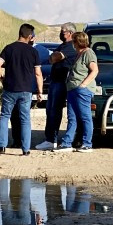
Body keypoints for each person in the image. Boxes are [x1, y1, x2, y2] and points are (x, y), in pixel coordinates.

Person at [0, 24, 43, 155]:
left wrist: (1, 79)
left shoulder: (9, 48)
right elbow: (38, 73)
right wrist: (40, 91)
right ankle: (25, 149)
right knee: (25, 119)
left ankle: (2, 146)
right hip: (26, 90)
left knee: (4, 116)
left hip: (10, 89)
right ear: (30, 36)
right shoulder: (33, 52)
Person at [53, 32, 98, 154]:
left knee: (85, 117)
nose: (72, 43)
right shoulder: (79, 54)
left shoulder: (88, 53)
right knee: (72, 117)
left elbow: (94, 70)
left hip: (81, 90)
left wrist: (83, 85)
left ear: (78, 42)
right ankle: (67, 143)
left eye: (73, 41)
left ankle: (87, 143)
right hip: (72, 89)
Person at [35, 23, 77, 151]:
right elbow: (52, 58)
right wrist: (53, 58)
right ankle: (50, 139)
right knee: (51, 111)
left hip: (63, 82)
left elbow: (55, 57)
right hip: (55, 81)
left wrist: (54, 57)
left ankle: (59, 140)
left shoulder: (71, 47)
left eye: (63, 31)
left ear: (70, 33)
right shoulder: (62, 46)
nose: (61, 33)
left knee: (59, 111)